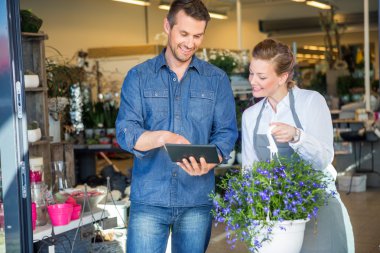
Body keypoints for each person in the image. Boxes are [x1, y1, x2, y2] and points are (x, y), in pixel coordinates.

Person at [115, 0, 238, 252]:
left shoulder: (216, 79)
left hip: (196, 199)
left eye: (197, 36)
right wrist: (161, 137)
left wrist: (211, 160)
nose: (190, 43)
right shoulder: (138, 77)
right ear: (167, 26)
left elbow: (226, 133)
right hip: (150, 199)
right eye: (183, 33)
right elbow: (126, 131)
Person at [241, 39, 354, 253]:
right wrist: (253, 213)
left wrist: (297, 137)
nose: (252, 81)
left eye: (262, 76)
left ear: (283, 77)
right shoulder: (250, 116)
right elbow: (250, 170)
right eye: (251, 73)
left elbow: (324, 159)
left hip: (317, 206)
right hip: (273, 210)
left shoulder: (310, 102)